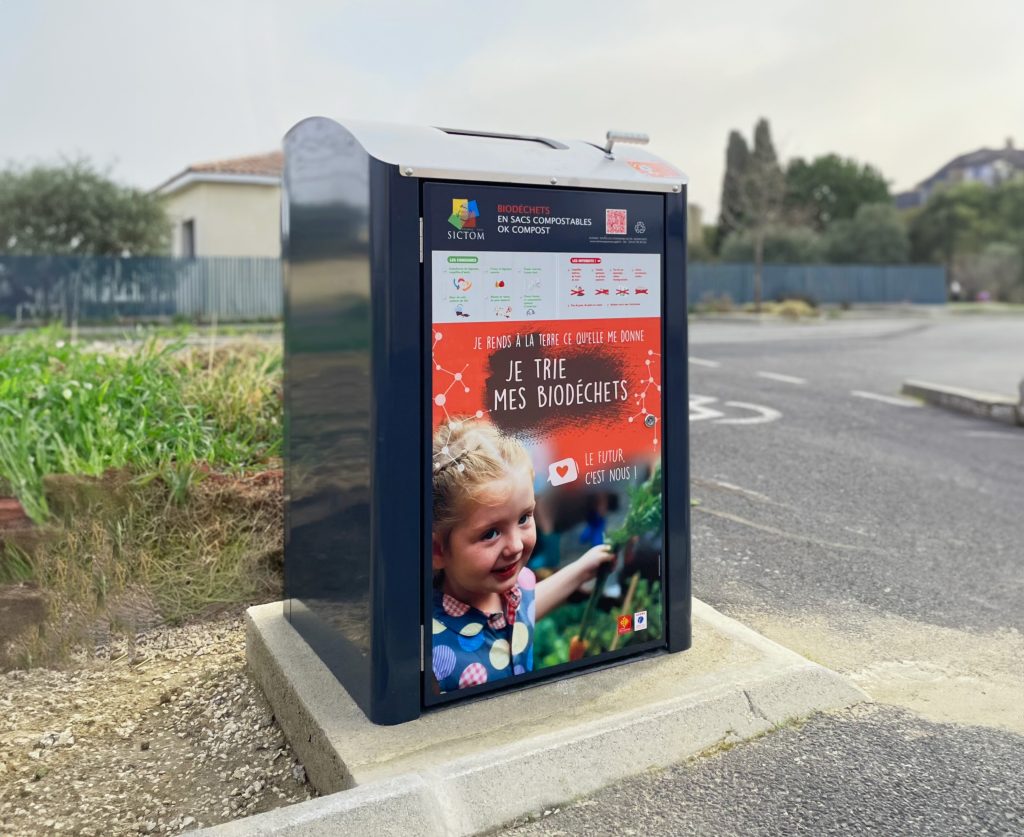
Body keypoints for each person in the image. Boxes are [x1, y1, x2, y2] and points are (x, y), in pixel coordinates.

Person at [431, 419, 614, 692]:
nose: (515, 546)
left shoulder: (515, 587)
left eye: (524, 518)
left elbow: (525, 609)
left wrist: (582, 569)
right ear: (437, 551)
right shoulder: (431, 652)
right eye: (490, 533)